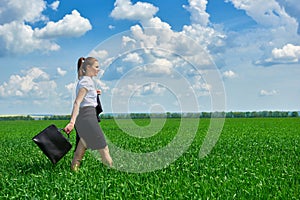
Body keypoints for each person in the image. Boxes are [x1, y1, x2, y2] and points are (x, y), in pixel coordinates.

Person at [64, 57, 113, 171]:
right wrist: (71, 122)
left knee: (80, 150)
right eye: (96, 67)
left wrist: (94, 93)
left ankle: (73, 172)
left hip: (85, 117)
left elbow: (85, 97)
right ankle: (113, 173)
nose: (98, 70)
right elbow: (77, 102)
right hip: (88, 117)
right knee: (104, 148)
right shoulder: (86, 82)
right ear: (88, 67)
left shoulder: (84, 81)